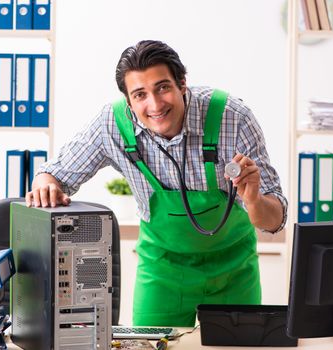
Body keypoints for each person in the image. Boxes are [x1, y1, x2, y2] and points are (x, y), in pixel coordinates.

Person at [26, 40, 287, 327]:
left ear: (182, 84)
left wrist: (253, 200)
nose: (155, 104)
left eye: (163, 87)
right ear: (129, 101)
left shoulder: (232, 117)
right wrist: (45, 184)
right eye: (140, 95)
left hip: (234, 271)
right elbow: (55, 174)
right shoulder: (112, 124)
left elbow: (274, 221)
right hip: (162, 272)